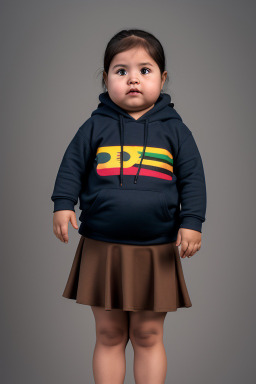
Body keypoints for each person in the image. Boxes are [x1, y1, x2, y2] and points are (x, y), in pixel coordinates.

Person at [51, 29, 207, 384]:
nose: (133, 78)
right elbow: (71, 168)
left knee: (148, 336)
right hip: (102, 246)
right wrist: (63, 205)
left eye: (145, 70)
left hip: (156, 250)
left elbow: (193, 180)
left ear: (162, 78)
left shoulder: (176, 132)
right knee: (108, 335)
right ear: (106, 79)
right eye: (121, 71)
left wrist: (192, 222)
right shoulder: (94, 127)